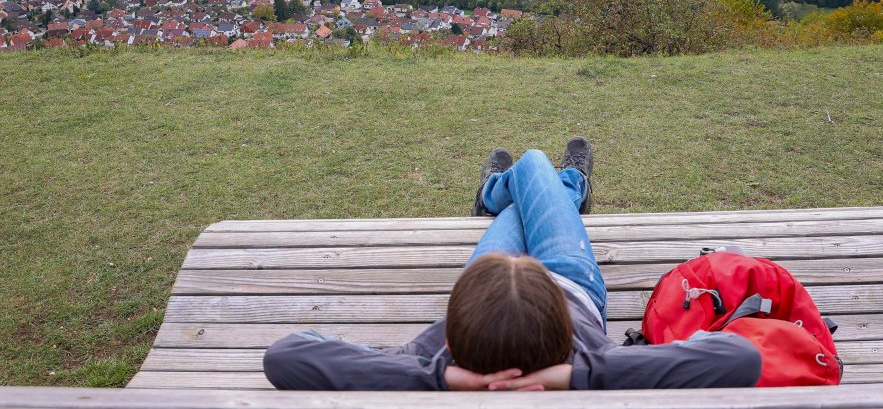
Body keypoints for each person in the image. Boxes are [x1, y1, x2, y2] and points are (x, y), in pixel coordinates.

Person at [263, 138, 761, 391]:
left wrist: (442, 378)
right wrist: (573, 375)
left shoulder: (430, 357)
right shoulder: (595, 366)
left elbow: (285, 357)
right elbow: (740, 360)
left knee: (517, 195)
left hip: (499, 289)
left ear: (453, 339)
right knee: (533, 163)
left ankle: (496, 192)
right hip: (569, 277)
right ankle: (569, 186)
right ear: (567, 335)